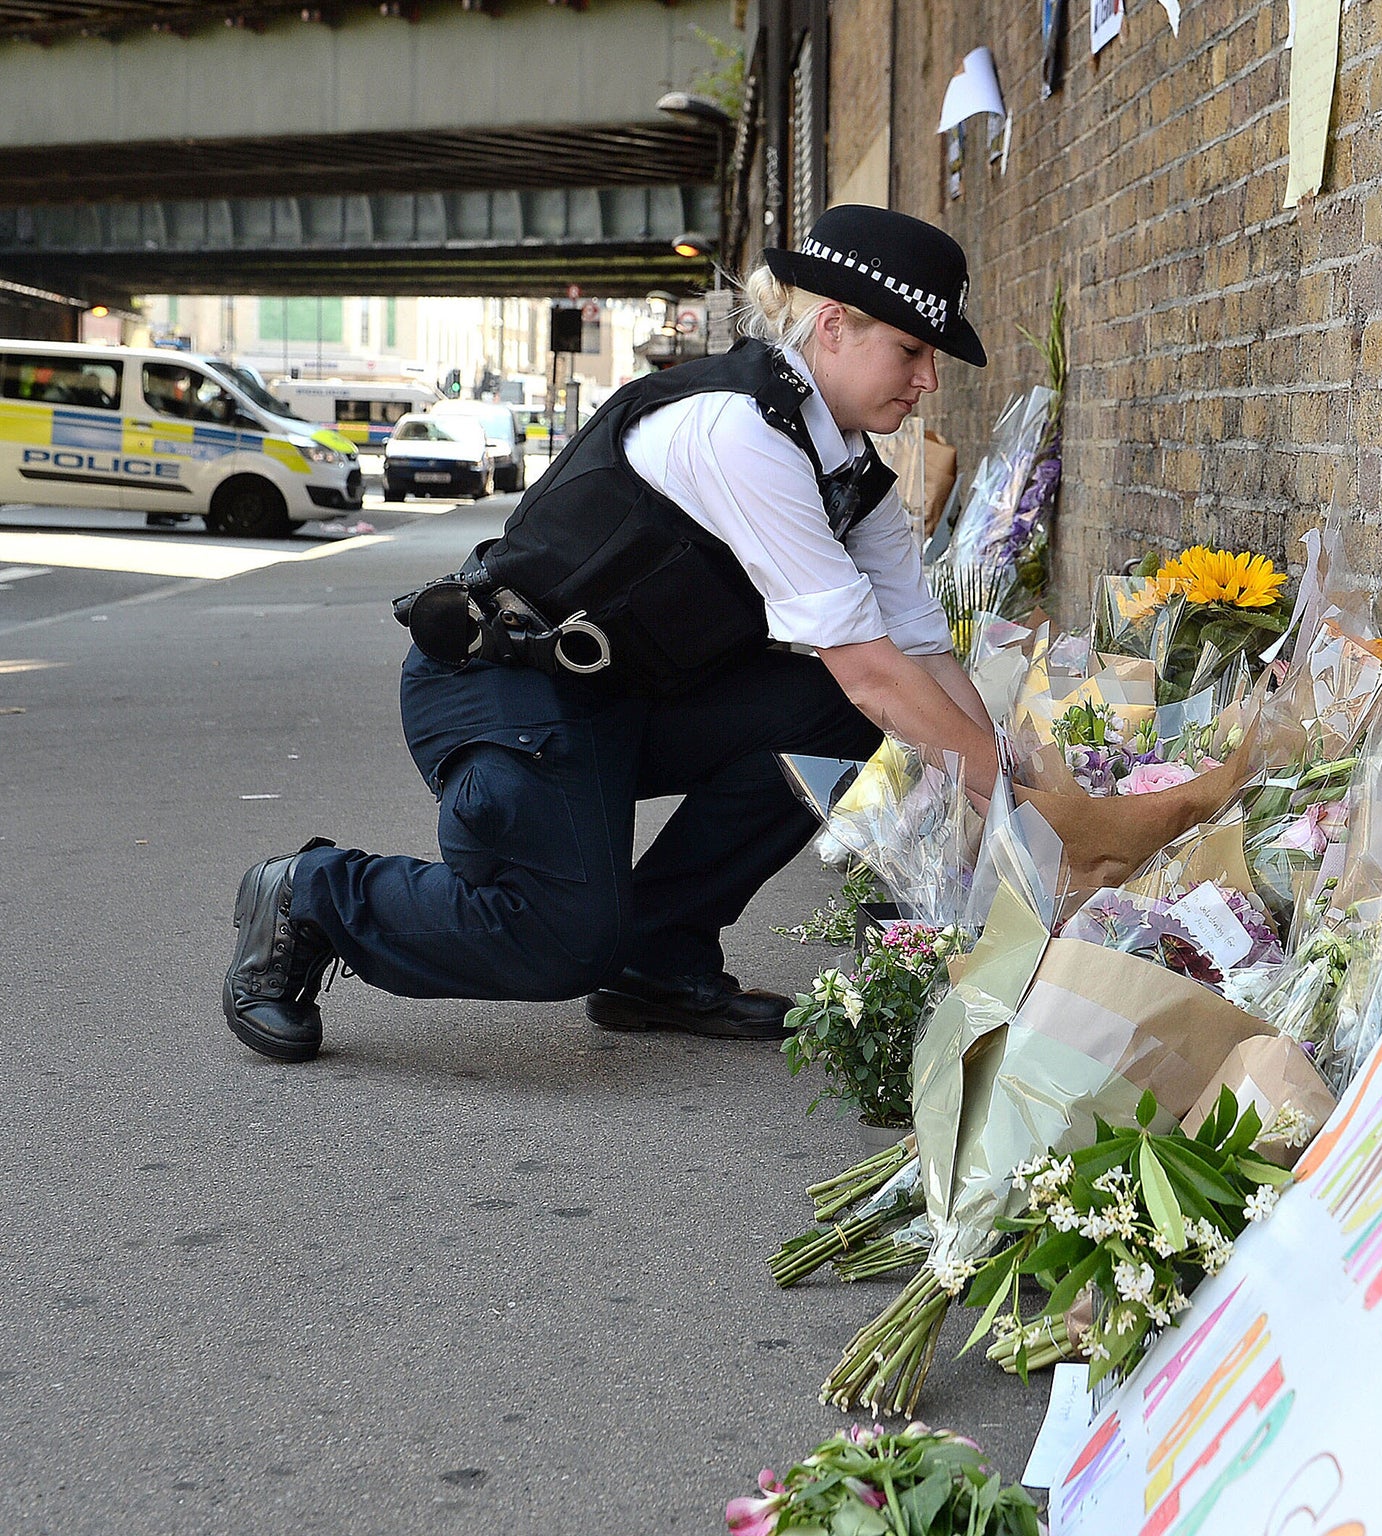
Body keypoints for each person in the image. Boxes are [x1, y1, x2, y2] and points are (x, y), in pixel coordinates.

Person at [222, 205, 999, 1061]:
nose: (928, 378)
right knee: (557, 939)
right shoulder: (738, 429)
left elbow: (920, 654)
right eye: (913, 351)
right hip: (502, 691)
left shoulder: (857, 476)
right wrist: (1032, 808)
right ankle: (311, 896)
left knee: (830, 713)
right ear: (832, 327)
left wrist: (1019, 788)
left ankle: (656, 959)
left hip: (623, 702)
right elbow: (873, 672)